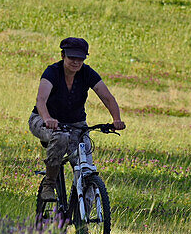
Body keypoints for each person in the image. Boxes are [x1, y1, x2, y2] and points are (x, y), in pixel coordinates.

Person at [29, 37, 125, 196]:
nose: (76, 62)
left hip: (76, 124)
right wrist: (47, 119)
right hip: (43, 120)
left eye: (80, 58)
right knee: (60, 138)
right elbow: (41, 99)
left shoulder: (87, 73)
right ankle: (49, 184)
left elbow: (107, 97)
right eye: (72, 57)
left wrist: (116, 119)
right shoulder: (52, 72)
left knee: (85, 165)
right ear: (62, 56)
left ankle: (83, 211)